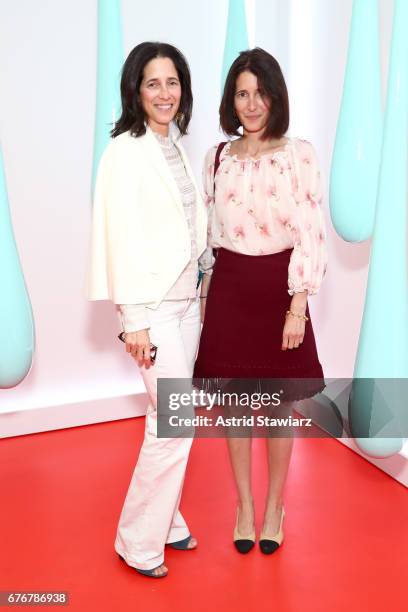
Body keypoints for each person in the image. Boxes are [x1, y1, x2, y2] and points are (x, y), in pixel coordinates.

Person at [194, 48, 328, 555]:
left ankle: (275, 505)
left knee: (274, 409)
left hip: (279, 289)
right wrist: (206, 299)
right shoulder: (218, 157)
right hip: (229, 288)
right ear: (232, 99)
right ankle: (244, 505)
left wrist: (298, 304)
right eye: (242, 93)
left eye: (261, 92)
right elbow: (208, 239)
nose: (252, 104)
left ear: (276, 95)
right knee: (234, 408)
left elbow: (311, 232)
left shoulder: (300, 154)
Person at [87, 42, 209, 577]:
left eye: (173, 82)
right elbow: (118, 238)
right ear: (136, 90)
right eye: (153, 83)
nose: (165, 93)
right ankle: (137, 540)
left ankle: (168, 520)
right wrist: (131, 319)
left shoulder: (178, 146)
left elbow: (190, 231)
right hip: (153, 309)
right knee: (174, 422)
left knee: (173, 417)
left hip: (188, 304)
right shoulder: (123, 151)